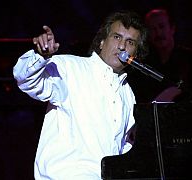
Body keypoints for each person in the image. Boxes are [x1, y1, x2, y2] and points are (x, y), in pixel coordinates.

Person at [12, 11, 148, 179]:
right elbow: (26, 80)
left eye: (130, 42)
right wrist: (41, 56)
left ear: (135, 53)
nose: (122, 47)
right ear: (102, 42)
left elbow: (123, 146)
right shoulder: (70, 67)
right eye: (116, 37)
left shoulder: (127, 93)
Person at [127, 8, 192, 103]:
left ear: (172, 28)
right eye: (153, 29)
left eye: (161, 27)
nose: (158, 33)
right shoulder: (142, 63)